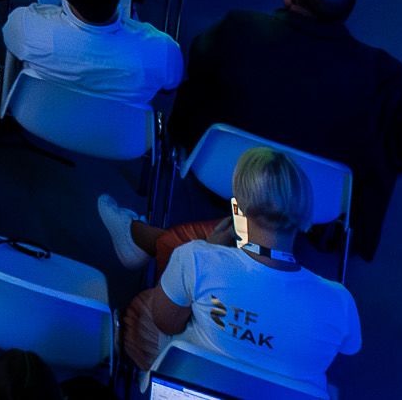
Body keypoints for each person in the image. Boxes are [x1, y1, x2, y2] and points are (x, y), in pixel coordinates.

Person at [164, 0, 402, 258]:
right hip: (318, 206)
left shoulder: (237, 30)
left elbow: (195, 65)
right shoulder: (382, 76)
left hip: (223, 177)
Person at [111, 144, 363, 390]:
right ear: (306, 213)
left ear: (239, 208)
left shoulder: (197, 258)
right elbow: (347, 348)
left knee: (144, 308)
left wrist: (207, 248)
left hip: (196, 389)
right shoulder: (339, 301)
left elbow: (166, 324)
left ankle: (137, 237)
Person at [0, 0, 183, 104]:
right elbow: (171, 84)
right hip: (115, 136)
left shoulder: (27, 27)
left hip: (38, 131)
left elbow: (9, 34)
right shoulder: (161, 52)